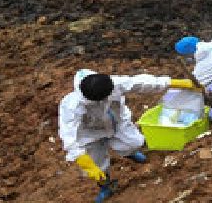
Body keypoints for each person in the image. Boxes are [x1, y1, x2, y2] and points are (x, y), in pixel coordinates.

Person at [59, 69, 197, 202]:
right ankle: (106, 185)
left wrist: (174, 83)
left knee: (135, 142)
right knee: (98, 165)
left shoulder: (114, 83)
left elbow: (142, 83)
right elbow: (68, 135)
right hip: (90, 134)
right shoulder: (72, 105)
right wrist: (87, 163)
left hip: (116, 124)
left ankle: (128, 153)